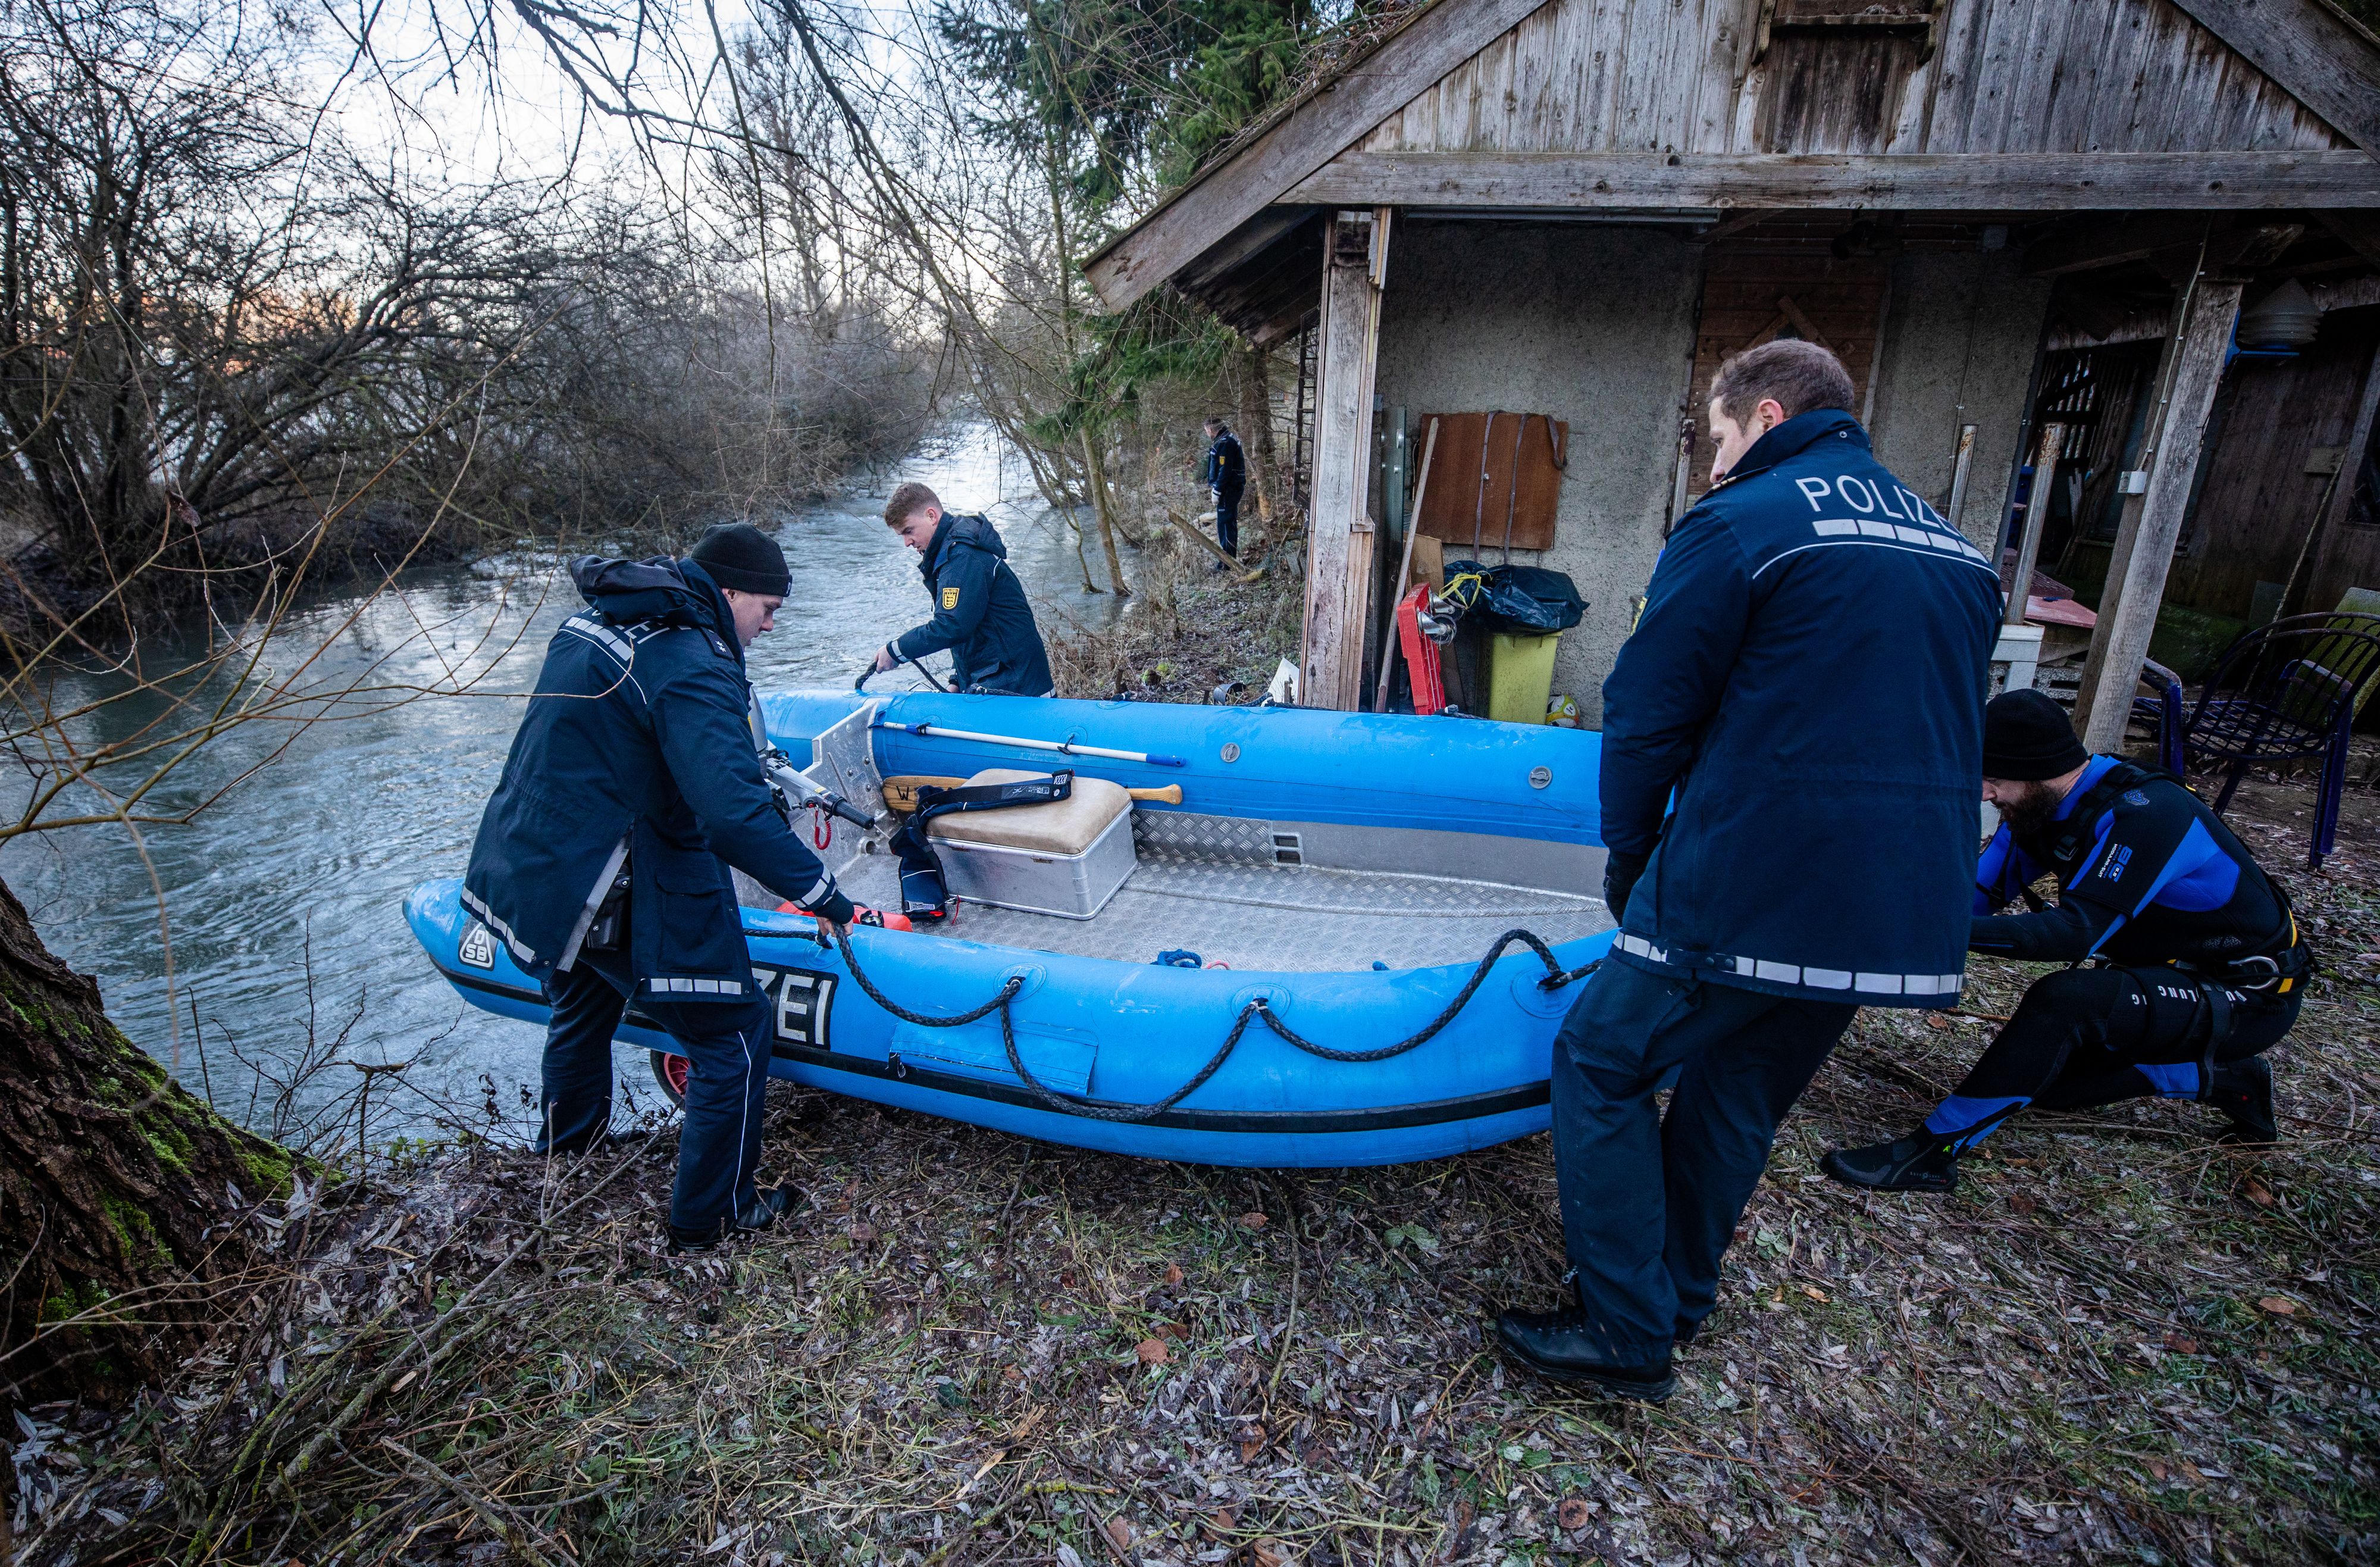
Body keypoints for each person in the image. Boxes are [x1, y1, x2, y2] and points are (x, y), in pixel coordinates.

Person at [1492, 339, 2002, 1403]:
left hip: (1758, 868)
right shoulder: (1958, 549)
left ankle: (1627, 1333)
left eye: (1716, 437)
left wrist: (1635, 859)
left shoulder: (1739, 526)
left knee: (1602, 1060)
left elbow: (1644, 711)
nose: (1711, 462)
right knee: (1741, 1088)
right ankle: (1677, 1297)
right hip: (1898, 898)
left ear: (1764, 418)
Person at [464, 522, 857, 1251]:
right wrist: (823, 891)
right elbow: (731, 814)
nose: (770, 626)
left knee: (582, 1000)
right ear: (728, 590)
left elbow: (615, 747)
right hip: (605, 876)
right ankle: (710, 1218)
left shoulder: (603, 616)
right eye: (766, 609)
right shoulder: (692, 656)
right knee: (734, 1035)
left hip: (534, 854)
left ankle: (566, 1153)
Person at [1822, 689, 2307, 1190]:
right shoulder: (2041, 809)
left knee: (2065, 1002)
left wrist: (1932, 929)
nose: (1985, 794)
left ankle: (1931, 1154)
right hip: (2167, 976)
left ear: (2035, 772)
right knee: (2043, 1084)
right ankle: (2231, 1080)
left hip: (2250, 998)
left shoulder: (2150, 814)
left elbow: (2072, 935)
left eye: (1994, 780)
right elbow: (1970, 899)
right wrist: (1873, 917)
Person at [873, 482, 1054, 696]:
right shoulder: (955, 550)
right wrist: (957, 679)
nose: (907, 542)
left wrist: (896, 651)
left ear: (931, 516)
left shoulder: (962, 557)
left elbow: (951, 625)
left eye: (909, 531)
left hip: (1018, 688)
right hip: (1004, 680)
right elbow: (973, 625)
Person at [1201, 417, 1247, 562]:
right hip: (1230, 487)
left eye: (1206, 430)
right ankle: (1228, 561)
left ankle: (1228, 563)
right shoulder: (1225, 439)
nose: (1207, 433)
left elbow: (1225, 470)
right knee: (1227, 523)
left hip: (1229, 489)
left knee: (1226, 524)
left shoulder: (1225, 443)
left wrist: (1218, 490)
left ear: (1210, 429)